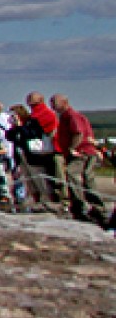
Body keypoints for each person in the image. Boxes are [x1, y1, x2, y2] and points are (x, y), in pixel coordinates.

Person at [51, 93, 106, 226]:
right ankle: (92, 207)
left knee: (73, 174)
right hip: (81, 152)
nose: (53, 105)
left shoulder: (72, 115)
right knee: (86, 178)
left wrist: (72, 148)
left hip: (82, 152)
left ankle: (82, 206)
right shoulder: (65, 116)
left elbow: (79, 133)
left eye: (55, 102)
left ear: (64, 102)